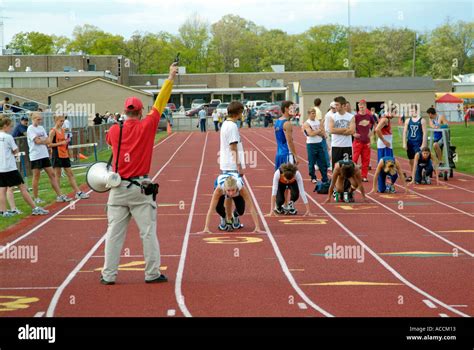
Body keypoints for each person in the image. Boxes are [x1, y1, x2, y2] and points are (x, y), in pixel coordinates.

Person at [100, 63, 178, 285]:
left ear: (124, 112)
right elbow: (160, 102)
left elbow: (111, 144)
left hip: (117, 188)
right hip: (141, 188)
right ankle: (152, 273)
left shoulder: (115, 130)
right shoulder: (148, 125)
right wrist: (170, 76)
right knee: (148, 233)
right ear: (140, 111)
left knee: (114, 235)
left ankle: (108, 275)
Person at [0, 116, 49, 217]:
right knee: (23, 187)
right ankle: (34, 208)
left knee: (2, 189)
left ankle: (3, 211)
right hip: (10, 167)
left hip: (1, 167)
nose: (11, 129)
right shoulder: (8, 137)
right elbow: (15, 151)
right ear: (5, 126)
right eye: (10, 126)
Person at [26, 112, 72, 204]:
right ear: (33, 119)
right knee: (36, 176)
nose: (40, 121)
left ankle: (60, 195)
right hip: (36, 156)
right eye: (38, 119)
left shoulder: (41, 128)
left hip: (44, 155)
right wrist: (42, 140)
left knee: (52, 174)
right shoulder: (30, 129)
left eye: (40, 119)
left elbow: (48, 141)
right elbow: (37, 141)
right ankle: (36, 197)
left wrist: (42, 140)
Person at [49, 115, 89, 200]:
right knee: (58, 175)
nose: (62, 123)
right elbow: (49, 144)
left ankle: (78, 192)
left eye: (63, 121)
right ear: (56, 121)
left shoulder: (63, 130)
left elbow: (63, 142)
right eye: (61, 121)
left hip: (64, 154)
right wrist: (61, 143)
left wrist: (66, 142)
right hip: (57, 154)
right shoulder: (53, 131)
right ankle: (59, 195)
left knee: (70, 174)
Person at [219, 101, 246, 175]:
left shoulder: (225, 123)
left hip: (227, 165)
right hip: (231, 166)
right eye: (241, 112)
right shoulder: (232, 126)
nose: (242, 114)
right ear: (238, 113)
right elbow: (233, 147)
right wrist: (239, 166)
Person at [303, 108, 328, 184]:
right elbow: (311, 134)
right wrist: (318, 131)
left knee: (323, 162)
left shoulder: (318, 121)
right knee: (312, 162)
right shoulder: (306, 123)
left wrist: (318, 132)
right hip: (311, 145)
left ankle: (324, 177)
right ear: (309, 114)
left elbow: (322, 132)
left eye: (314, 113)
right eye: (312, 113)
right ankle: (313, 177)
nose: (313, 114)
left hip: (319, 143)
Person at [328, 96, 355, 169]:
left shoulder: (351, 117)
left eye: (337, 105)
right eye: (335, 105)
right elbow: (331, 130)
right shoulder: (332, 117)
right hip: (336, 146)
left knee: (347, 169)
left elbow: (352, 131)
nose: (335, 107)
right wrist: (345, 129)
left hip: (347, 146)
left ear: (343, 105)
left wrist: (337, 130)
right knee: (336, 169)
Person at [402, 104, 427, 182]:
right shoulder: (408, 120)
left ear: (416, 111)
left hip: (418, 142)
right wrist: (404, 143)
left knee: (419, 160)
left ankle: (421, 175)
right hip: (410, 142)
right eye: (410, 111)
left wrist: (423, 144)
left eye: (413, 111)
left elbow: (425, 133)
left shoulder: (422, 120)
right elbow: (405, 132)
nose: (411, 112)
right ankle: (413, 175)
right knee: (411, 160)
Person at [352, 100, 374, 182]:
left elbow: (375, 125)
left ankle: (364, 176)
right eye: (360, 106)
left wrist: (371, 134)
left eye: (363, 105)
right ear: (358, 106)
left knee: (366, 160)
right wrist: (353, 133)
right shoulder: (355, 117)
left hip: (366, 142)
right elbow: (350, 126)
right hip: (358, 142)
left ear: (365, 106)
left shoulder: (369, 116)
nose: (361, 107)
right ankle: (352, 175)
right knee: (354, 159)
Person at [274, 101, 299, 170]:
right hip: (287, 154)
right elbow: (289, 141)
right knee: (291, 178)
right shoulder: (287, 123)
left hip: (279, 154)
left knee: (280, 178)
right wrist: (295, 156)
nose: (294, 110)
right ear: (286, 109)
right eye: (292, 108)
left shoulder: (277, 122)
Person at [323, 102, 336, 171]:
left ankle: (328, 163)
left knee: (332, 149)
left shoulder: (332, 114)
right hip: (329, 133)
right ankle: (329, 163)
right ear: (331, 107)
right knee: (332, 149)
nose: (335, 109)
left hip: (332, 132)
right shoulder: (329, 115)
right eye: (333, 108)